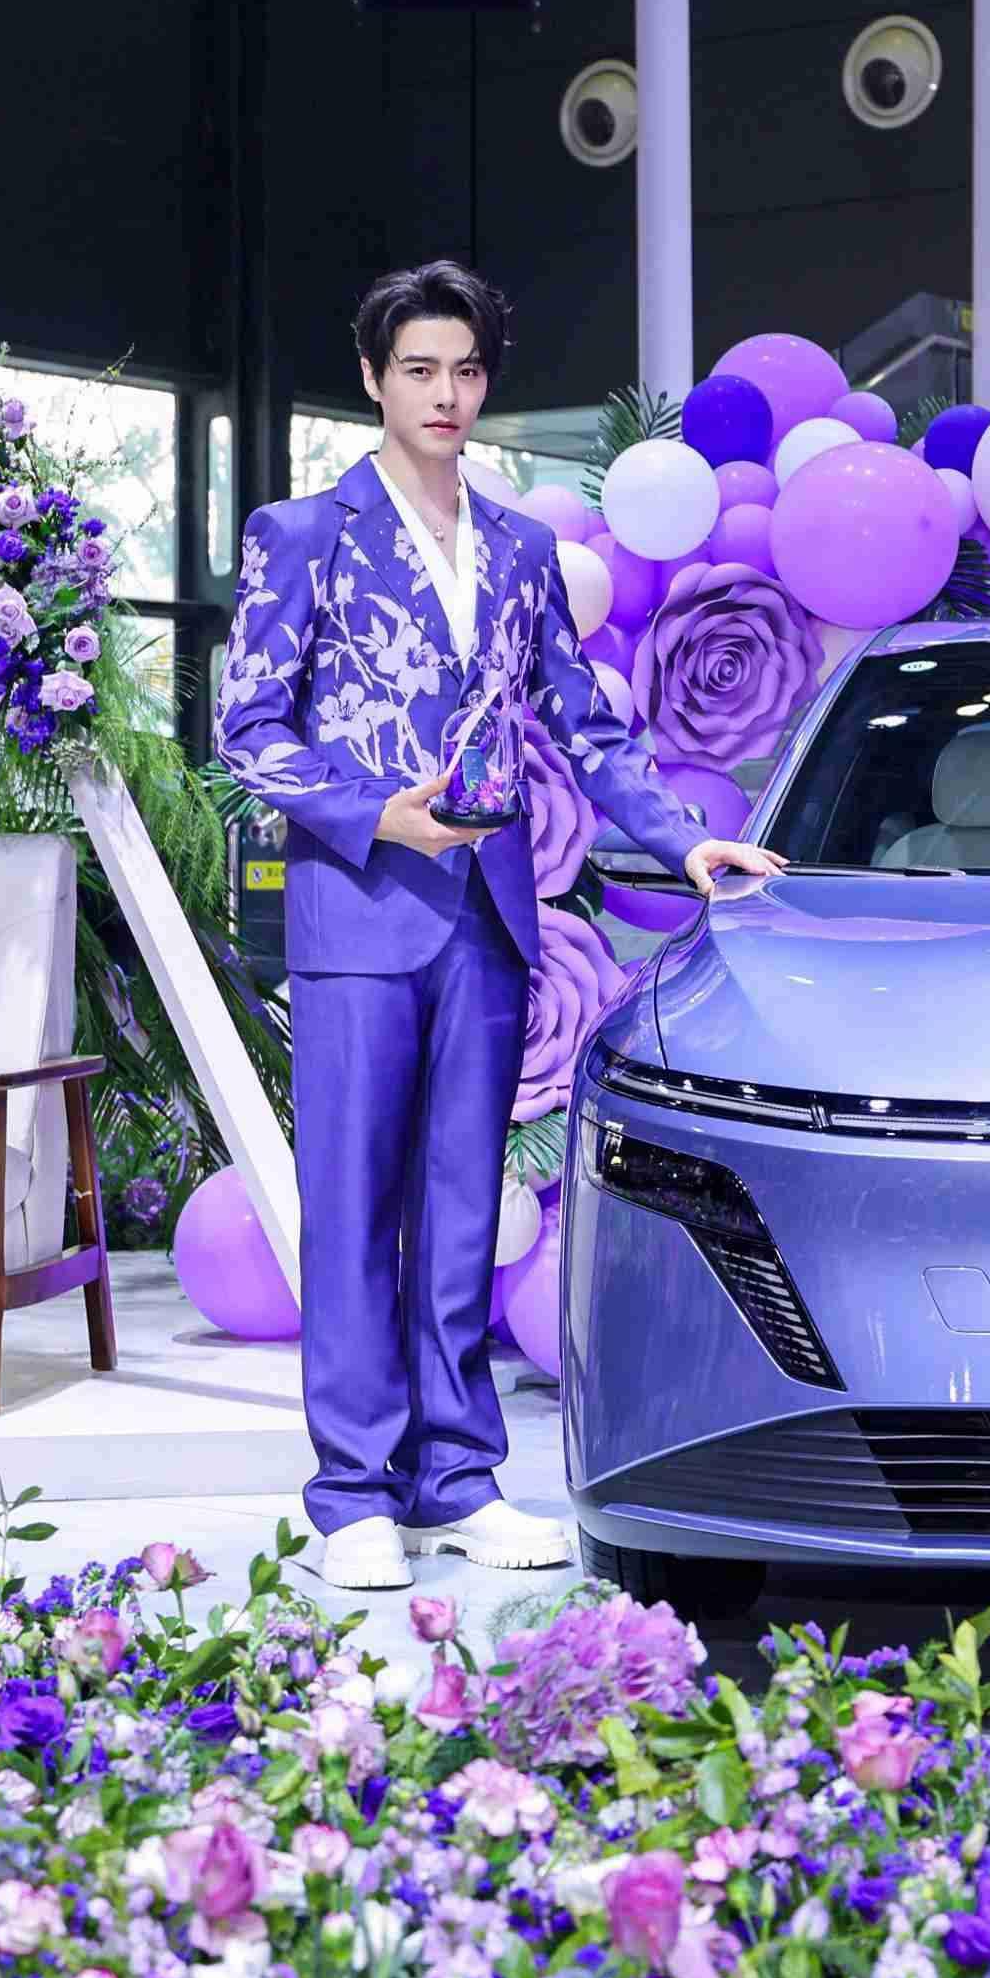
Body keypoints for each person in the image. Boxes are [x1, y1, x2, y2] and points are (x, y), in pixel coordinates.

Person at [213, 263, 786, 1591]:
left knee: (464, 1209)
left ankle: (458, 1481)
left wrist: (679, 838)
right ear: (373, 377)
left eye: (465, 370)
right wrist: (374, 815)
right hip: (358, 914)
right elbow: (248, 729)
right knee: (352, 1209)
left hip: (488, 917)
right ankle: (353, 1493)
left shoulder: (523, 550)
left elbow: (586, 724)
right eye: (419, 369)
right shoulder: (301, 533)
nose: (445, 394)